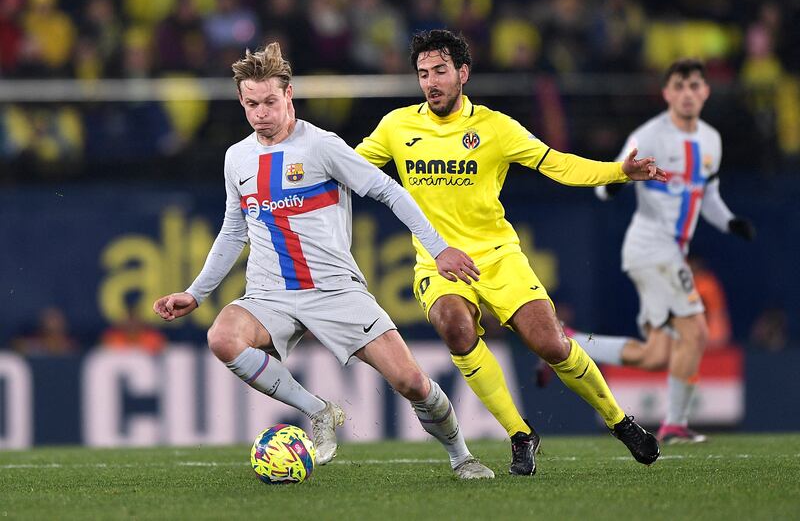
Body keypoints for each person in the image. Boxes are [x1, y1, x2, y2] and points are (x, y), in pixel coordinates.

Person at [152, 42, 494, 480]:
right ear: (241, 101)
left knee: (410, 382)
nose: (261, 113)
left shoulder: (322, 146)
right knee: (222, 337)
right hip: (269, 292)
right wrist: (196, 293)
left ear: (289, 94)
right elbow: (234, 230)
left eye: (270, 102)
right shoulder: (236, 157)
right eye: (252, 104)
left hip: (334, 289)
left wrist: (438, 247)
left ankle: (461, 455)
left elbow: (388, 190)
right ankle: (318, 411)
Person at [355, 29, 664, 476]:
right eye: (423, 74)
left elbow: (556, 162)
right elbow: (348, 167)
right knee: (454, 327)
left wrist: (618, 172)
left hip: (498, 255)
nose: (431, 83)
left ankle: (619, 422)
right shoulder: (397, 127)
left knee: (551, 344)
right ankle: (520, 435)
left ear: (463, 73)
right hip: (437, 261)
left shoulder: (495, 128)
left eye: (440, 71)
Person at [565, 58, 756, 445]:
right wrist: (618, 182)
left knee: (654, 354)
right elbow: (607, 181)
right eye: (679, 86)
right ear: (667, 93)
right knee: (697, 331)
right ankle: (675, 423)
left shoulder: (711, 141)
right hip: (653, 247)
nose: (687, 93)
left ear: (705, 92)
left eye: (694, 86)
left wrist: (731, 222)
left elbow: (709, 197)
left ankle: (569, 342)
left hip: (668, 252)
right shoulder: (648, 135)